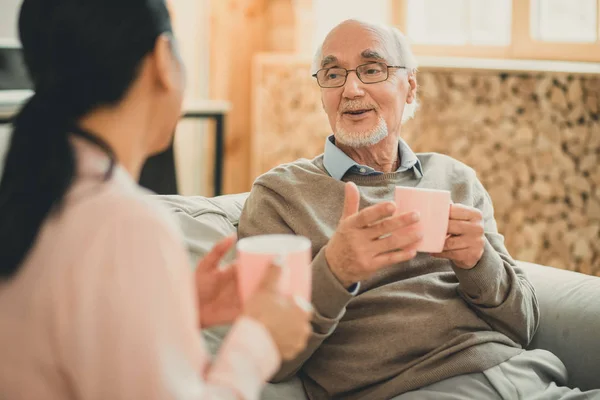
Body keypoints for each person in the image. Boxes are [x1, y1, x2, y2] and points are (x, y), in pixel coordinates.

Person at [238, 19, 600, 400]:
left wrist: (479, 262)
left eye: (372, 69)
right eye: (332, 74)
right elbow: (264, 355)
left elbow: (523, 323)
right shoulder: (280, 196)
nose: (351, 88)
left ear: (409, 87)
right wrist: (335, 270)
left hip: (525, 378)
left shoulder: (455, 178)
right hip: (410, 390)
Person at [0, 1, 311, 399]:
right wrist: (260, 338)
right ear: (164, 58)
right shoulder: (123, 223)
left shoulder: (34, 196)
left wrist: (177, 311)